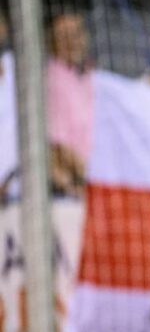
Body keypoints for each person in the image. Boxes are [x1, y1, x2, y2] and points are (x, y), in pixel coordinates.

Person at [46, 11, 93, 197]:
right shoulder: (52, 79)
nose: (71, 41)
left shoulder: (89, 77)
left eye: (76, 34)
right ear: (53, 43)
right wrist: (93, 178)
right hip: (70, 189)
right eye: (63, 36)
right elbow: (59, 148)